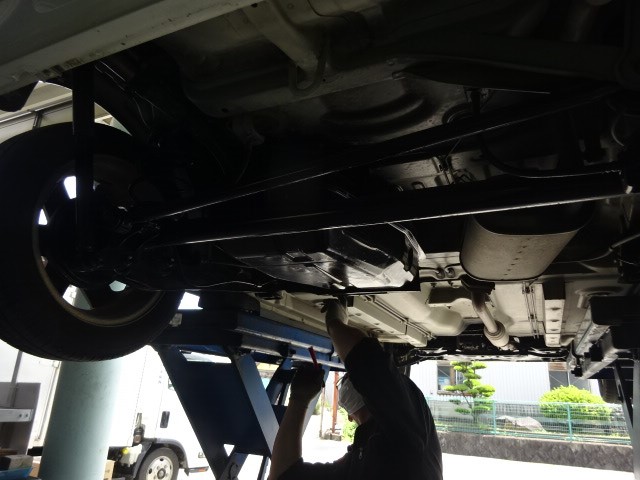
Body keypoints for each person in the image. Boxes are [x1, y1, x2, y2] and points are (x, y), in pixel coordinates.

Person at [268, 299, 443, 480]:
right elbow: (365, 359)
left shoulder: (359, 461)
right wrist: (335, 324)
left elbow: (283, 475)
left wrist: (299, 399)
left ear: (350, 416)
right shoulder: (403, 422)